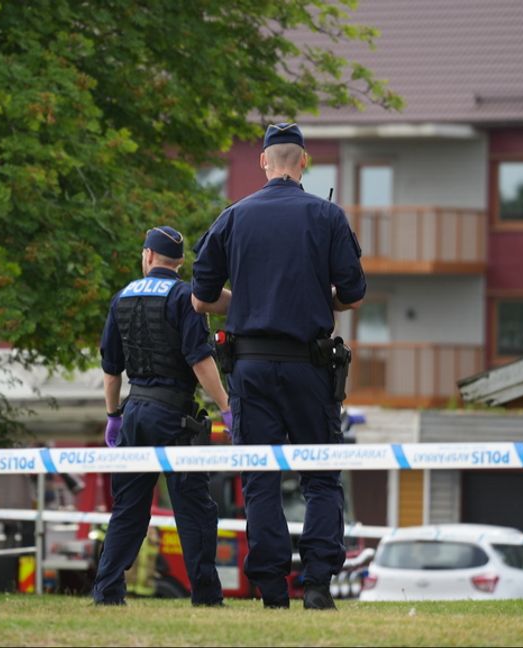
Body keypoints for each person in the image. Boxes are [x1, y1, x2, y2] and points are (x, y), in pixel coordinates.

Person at [190, 122, 366, 610]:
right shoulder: (327, 216)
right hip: (310, 368)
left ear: (264, 163)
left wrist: (245, 301)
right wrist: (315, 298)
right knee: (321, 477)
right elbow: (352, 295)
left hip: (249, 369)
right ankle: (315, 586)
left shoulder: (232, 218)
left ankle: (271, 590)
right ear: (304, 162)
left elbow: (201, 299)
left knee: (260, 478)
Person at [92, 225, 232, 607]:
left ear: (148, 256)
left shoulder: (122, 297)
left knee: (129, 508)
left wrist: (113, 415)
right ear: (180, 262)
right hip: (175, 416)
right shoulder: (185, 296)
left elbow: (110, 368)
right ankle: (206, 595)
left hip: (135, 412)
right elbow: (199, 359)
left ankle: (107, 591)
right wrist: (225, 406)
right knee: (194, 508)